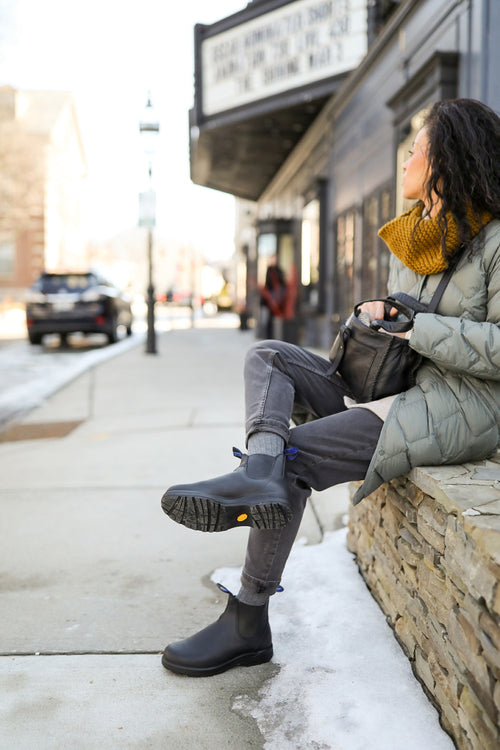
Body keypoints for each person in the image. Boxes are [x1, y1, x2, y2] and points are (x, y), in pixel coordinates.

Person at [160, 98, 500, 677]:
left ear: (446, 159)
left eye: (416, 148)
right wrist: (376, 321)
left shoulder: (495, 244)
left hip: (458, 408)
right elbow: (408, 328)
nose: (407, 159)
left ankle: (248, 620)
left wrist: (417, 325)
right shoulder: (415, 239)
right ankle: (259, 470)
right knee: (269, 355)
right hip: (397, 388)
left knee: (298, 457)